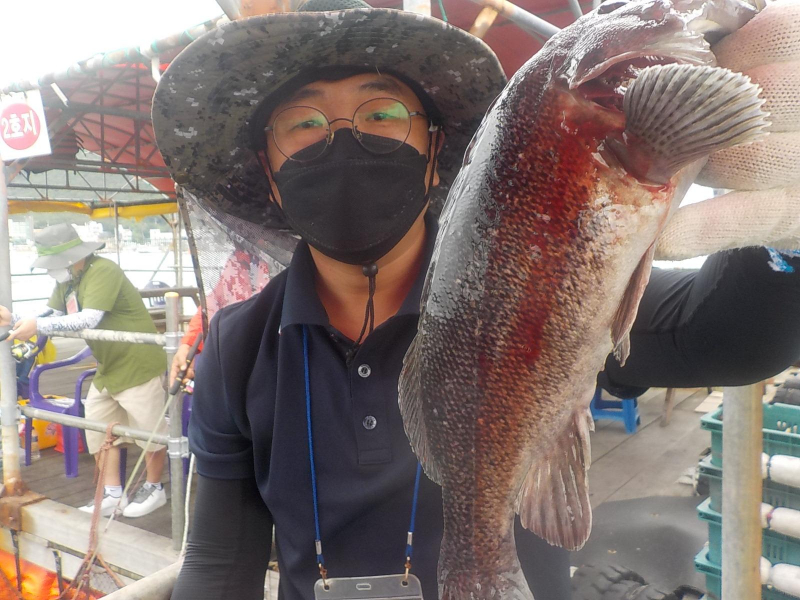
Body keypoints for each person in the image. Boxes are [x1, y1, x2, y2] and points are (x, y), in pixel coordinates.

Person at [151, 1, 800, 598]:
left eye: (382, 113)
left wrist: (787, 241)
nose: (343, 138)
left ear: (434, 149)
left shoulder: (531, 272)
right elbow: (218, 561)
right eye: (304, 122)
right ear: (269, 170)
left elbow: (728, 339)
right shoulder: (236, 344)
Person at [0, 224, 169, 518]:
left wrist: (37, 326)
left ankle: (154, 488)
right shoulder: (69, 281)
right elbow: (51, 314)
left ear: (69, 257)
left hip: (138, 362)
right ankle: (112, 493)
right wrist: (14, 319)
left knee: (149, 430)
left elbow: (88, 319)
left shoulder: (103, 270)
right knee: (98, 425)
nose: (49, 269)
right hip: (108, 366)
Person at [169, 247, 270, 386]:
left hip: (275, 365)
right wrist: (188, 345)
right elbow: (215, 303)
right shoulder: (243, 257)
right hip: (235, 363)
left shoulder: (292, 258)